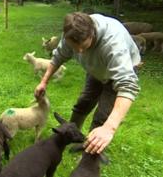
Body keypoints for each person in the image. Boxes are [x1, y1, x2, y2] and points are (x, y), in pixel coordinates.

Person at [34, 12, 140, 171]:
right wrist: (44, 81)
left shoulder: (112, 44)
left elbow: (127, 85)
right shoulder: (71, 34)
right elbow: (58, 57)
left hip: (118, 72)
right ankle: (71, 137)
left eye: (83, 47)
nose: (80, 52)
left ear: (92, 33)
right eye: (75, 49)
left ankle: (88, 159)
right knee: (83, 103)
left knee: (102, 118)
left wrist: (109, 128)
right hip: (96, 69)